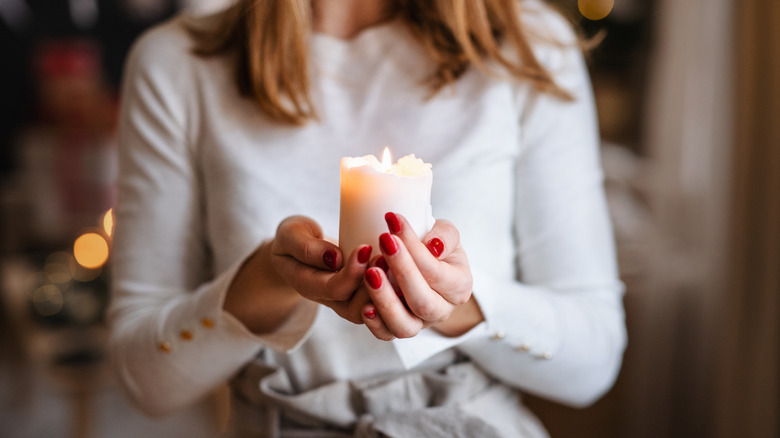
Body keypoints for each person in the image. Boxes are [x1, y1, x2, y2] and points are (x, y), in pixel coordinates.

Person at [109, 0, 627, 436]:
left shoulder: (528, 46)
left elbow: (594, 360)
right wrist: (269, 282)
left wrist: (462, 306)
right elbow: (143, 381)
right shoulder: (179, 63)